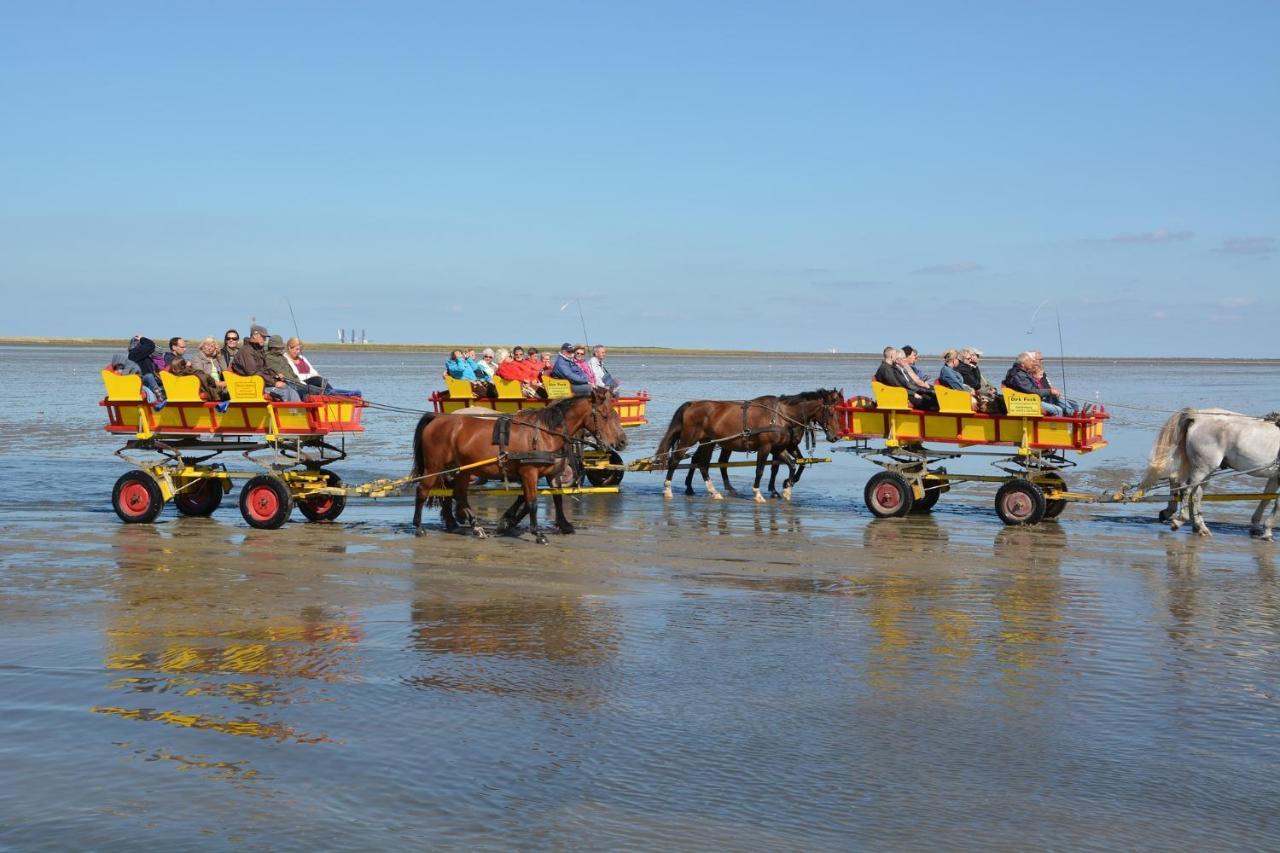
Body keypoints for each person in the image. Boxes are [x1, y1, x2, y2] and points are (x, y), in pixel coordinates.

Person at [231, 324, 302, 402]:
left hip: (261, 384)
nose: (265, 340)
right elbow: (254, 373)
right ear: (255, 335)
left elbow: (265, 369)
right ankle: (289, 412)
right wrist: (274, 382)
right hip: (250, 387)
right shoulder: (246, 351)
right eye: (263, 337)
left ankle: (297, 412)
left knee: (291, 390)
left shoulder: (257, 350)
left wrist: (275, 376)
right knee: (284, 392)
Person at [286, 337, 361, 397]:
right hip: (301, 383)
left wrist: (316, 375)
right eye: (296, 349)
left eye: (299, 349)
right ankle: (344, 394)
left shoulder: (302, 358)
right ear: (289, 348)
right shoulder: (286, 359)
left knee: (322, 382)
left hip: (313, 381)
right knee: (319, 381)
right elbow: (296, 376)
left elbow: (313, 371)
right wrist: (313, 376)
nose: (298, 351)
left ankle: (347, 393)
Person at [1004, 351, 1072, 416]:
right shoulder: (1019, 375)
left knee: (1064, 401)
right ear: (1023, 364)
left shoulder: (1022, 372)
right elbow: (1031, 390)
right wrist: (1049, 391)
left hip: (1029, 399)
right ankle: (1053, 427)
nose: (1032, 363)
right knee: (1058, 410)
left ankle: (1071, 413)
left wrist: (1051, 392)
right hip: (1027, 402)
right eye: (1030, 361)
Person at [127, 335, 166, 404]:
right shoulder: (134, 354)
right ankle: (160, 399)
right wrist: (142, 338)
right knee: (149, 376)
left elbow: (156, 349)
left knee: (152, 378)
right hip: (142, 379)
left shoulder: (138, 354)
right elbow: (151, 345)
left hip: (143, 379)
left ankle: (160, 397)